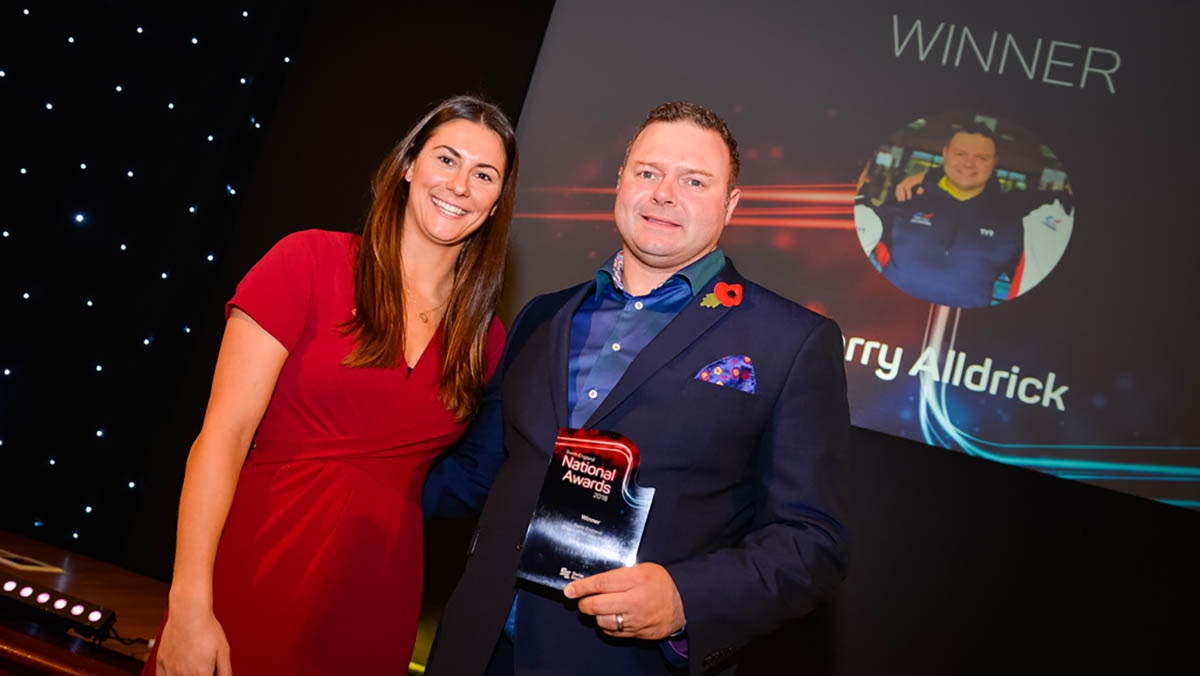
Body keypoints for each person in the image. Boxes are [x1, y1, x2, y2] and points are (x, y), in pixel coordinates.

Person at [422, 101, 850, 675]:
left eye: (693, 181)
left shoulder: (792, 342)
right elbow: (479, 473)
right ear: (620, 182)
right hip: (475, 652)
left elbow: (810, 543)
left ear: (731, 205)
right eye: (648, 172)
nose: (664, 194)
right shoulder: (541, 317)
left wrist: (684, 599)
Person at [145, 94, 519, 676]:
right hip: (258, 561)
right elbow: (222, 436)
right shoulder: (307, 261)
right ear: (408, 164)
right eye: (446, 159)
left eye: (484, 174)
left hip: (377, 599)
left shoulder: (484, 338)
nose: (460, 185)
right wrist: (190, 601)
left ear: (497, 203)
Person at [854, 124, 1073, 308]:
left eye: (982, 157)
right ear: (945, 153)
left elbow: (1064, 197)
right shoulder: (907, 198)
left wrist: (930, 174)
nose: (969, 164)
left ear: (995, 162)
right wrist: (931, 176)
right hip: (886, 316)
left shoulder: (1014, 213)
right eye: (960, 154)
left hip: (969, 337)